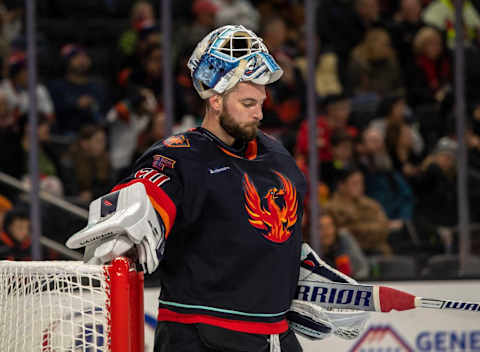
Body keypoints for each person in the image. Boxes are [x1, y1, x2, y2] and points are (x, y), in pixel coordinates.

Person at [66, 25, 368, 351]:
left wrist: (297, 274)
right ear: (215, 100)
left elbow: (271, 236)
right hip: (201, 337)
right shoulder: (177, 157)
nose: (260, 112)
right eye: (248, 102)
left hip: (275, 337)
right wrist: (130, 226)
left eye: (262, 100)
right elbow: (143, 198)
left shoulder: (279, 158)